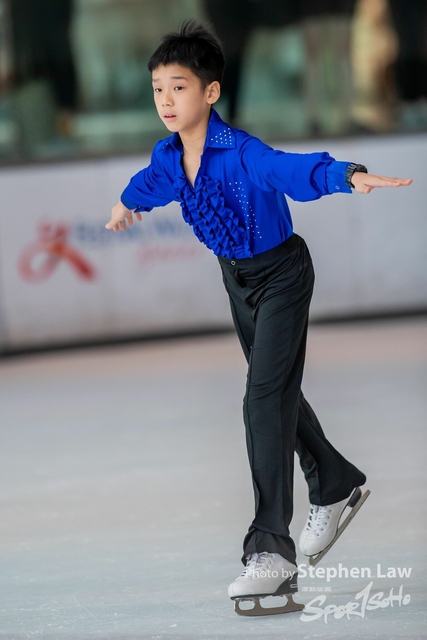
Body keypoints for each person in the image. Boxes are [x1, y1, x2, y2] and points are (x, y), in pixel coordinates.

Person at [105, 21, 412, 616]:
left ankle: (270, 549)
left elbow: (289, 170)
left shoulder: (241, 152)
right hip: (238, 283)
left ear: (211, 92)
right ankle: (335, 480)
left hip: (282, 277)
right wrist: (124, 203)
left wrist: (345, 174)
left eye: (179, 87)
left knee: (261, 400)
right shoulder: (169, 158)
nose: (166, 100)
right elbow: (148, 184)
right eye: (158, 89)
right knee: (275, 394)